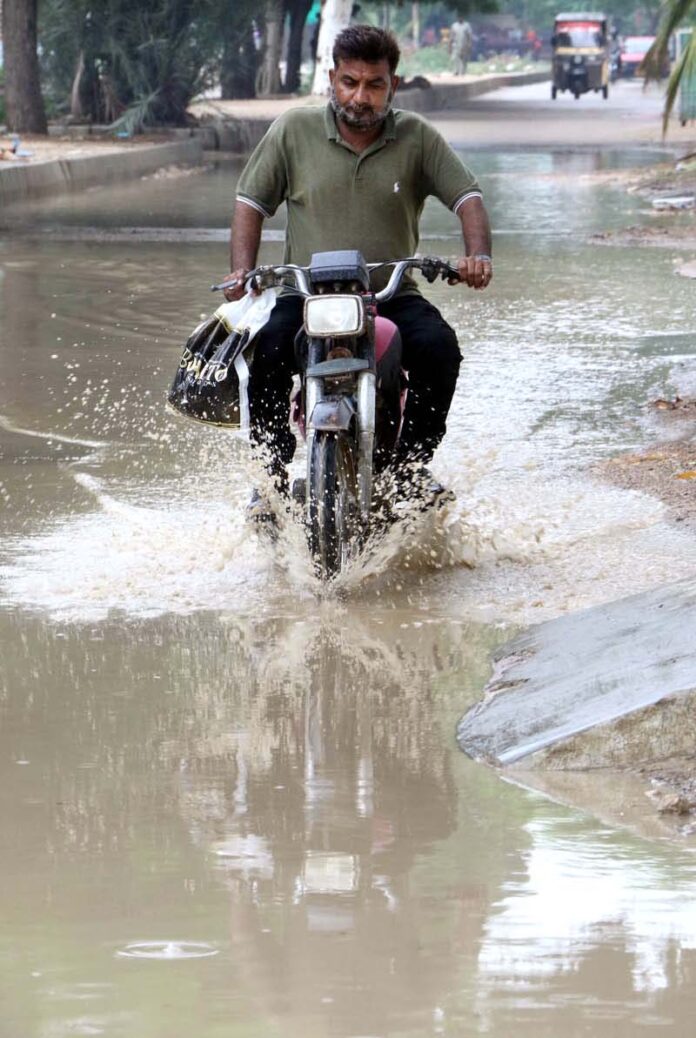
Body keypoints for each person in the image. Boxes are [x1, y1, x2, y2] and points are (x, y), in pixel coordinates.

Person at [222, 24, 492, 519]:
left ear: (394, 85)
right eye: (350, 82)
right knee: (267, 352)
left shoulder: (417, 137)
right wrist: (243, 274)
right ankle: (270, 478)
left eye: (374, 85)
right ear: (332, 79)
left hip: (390, 295)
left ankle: (409, 469)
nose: (360, 97)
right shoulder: (293, 130)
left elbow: (467, 197)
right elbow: (250, 203)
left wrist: (478, 257)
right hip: (305, 296)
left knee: (440, 349)